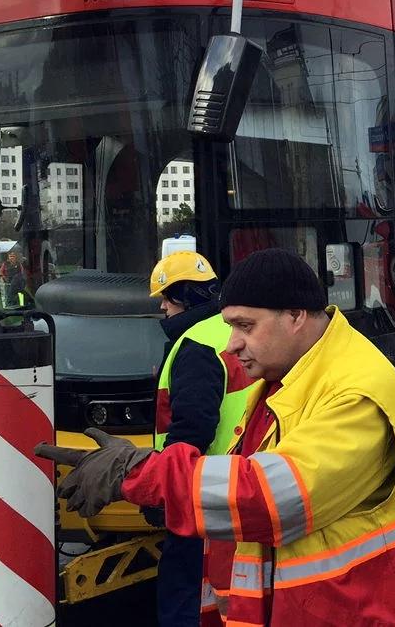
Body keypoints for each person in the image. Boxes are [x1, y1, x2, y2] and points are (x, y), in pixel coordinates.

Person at [37, 248, 395, 626]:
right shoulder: (289, 376)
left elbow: (267, 497)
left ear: (296, 316)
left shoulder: (355, 391)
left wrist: (136, 472)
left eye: (245, 326)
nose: (232, 345)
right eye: (231, 326)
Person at [146, 251, 254, 627]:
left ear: (185, 297)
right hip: (238, 481)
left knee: (184, 590)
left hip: (195, 489)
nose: (162, 308)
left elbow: (193, 427)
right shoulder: (234, 331)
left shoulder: (195, 344)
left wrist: (162, 487)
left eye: (166, 298)